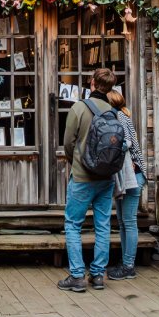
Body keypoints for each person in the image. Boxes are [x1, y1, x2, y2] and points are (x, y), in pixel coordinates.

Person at [58, 67, 120, 292]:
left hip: (83, 177)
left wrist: (75, 161)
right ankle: (98, 275)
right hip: (106, 177)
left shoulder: (79, 108)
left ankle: (76, 276)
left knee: (73, 224)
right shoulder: (114, 111)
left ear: (92, 83)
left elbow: (67, 142)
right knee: (102, 225)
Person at [104, 86, 147, 280]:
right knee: (123, 222)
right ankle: (125, 261)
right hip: (130, 176)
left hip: (132, 176)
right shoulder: (124, 116)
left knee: (128, 222)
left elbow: (127, 142)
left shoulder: (119, 117)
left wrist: (109, 145)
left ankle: (129, 265)